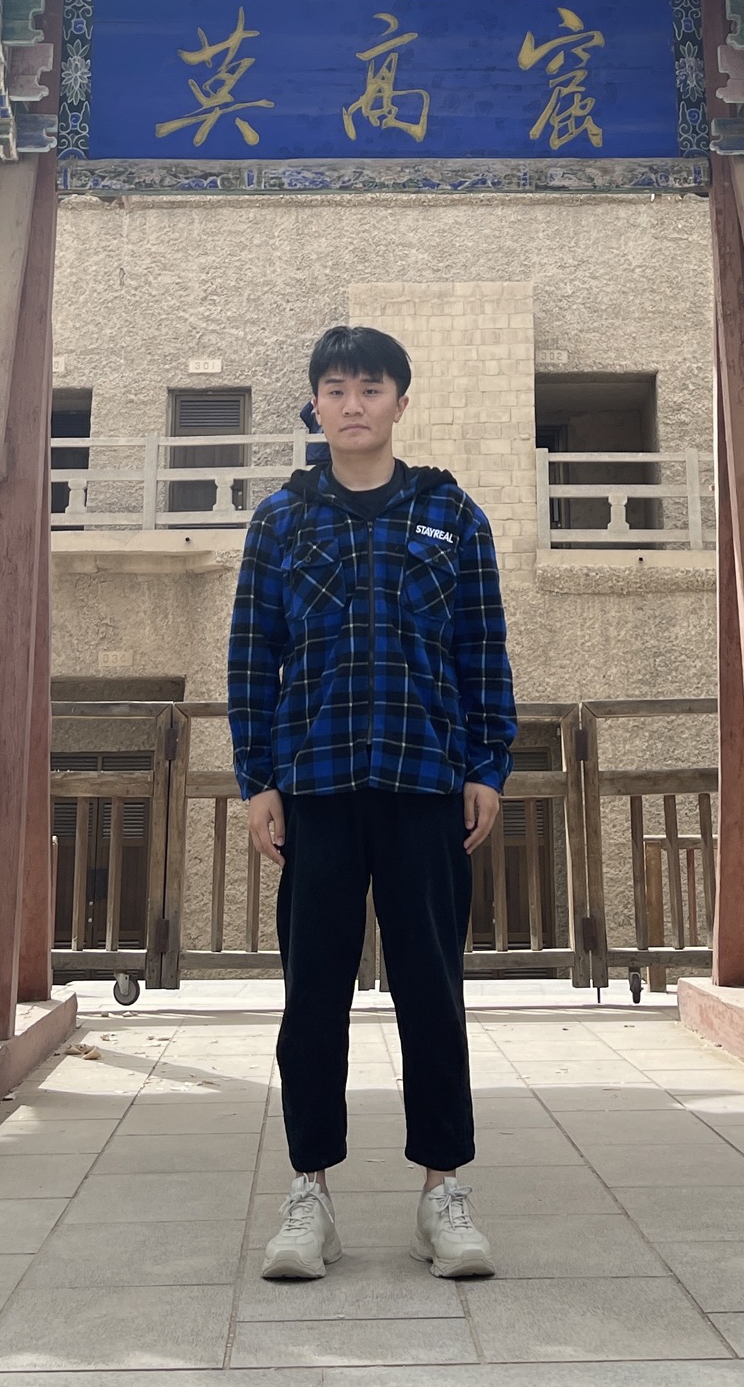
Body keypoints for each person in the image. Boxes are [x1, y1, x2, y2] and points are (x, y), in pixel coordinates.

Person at [230, 325, 515, 1285]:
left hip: (426, 782)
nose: (352, 404)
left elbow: (482, 648)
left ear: (399, 400)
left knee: (432, 990)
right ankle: (308, 1194)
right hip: (313, 786)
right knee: (312, 995)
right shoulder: (281, 519)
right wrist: (257, 779)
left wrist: (488, 765)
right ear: (315, 404)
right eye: (336, 388)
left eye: (370, 387)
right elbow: (251, 659)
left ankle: (443, 1193)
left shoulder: (450, 514)